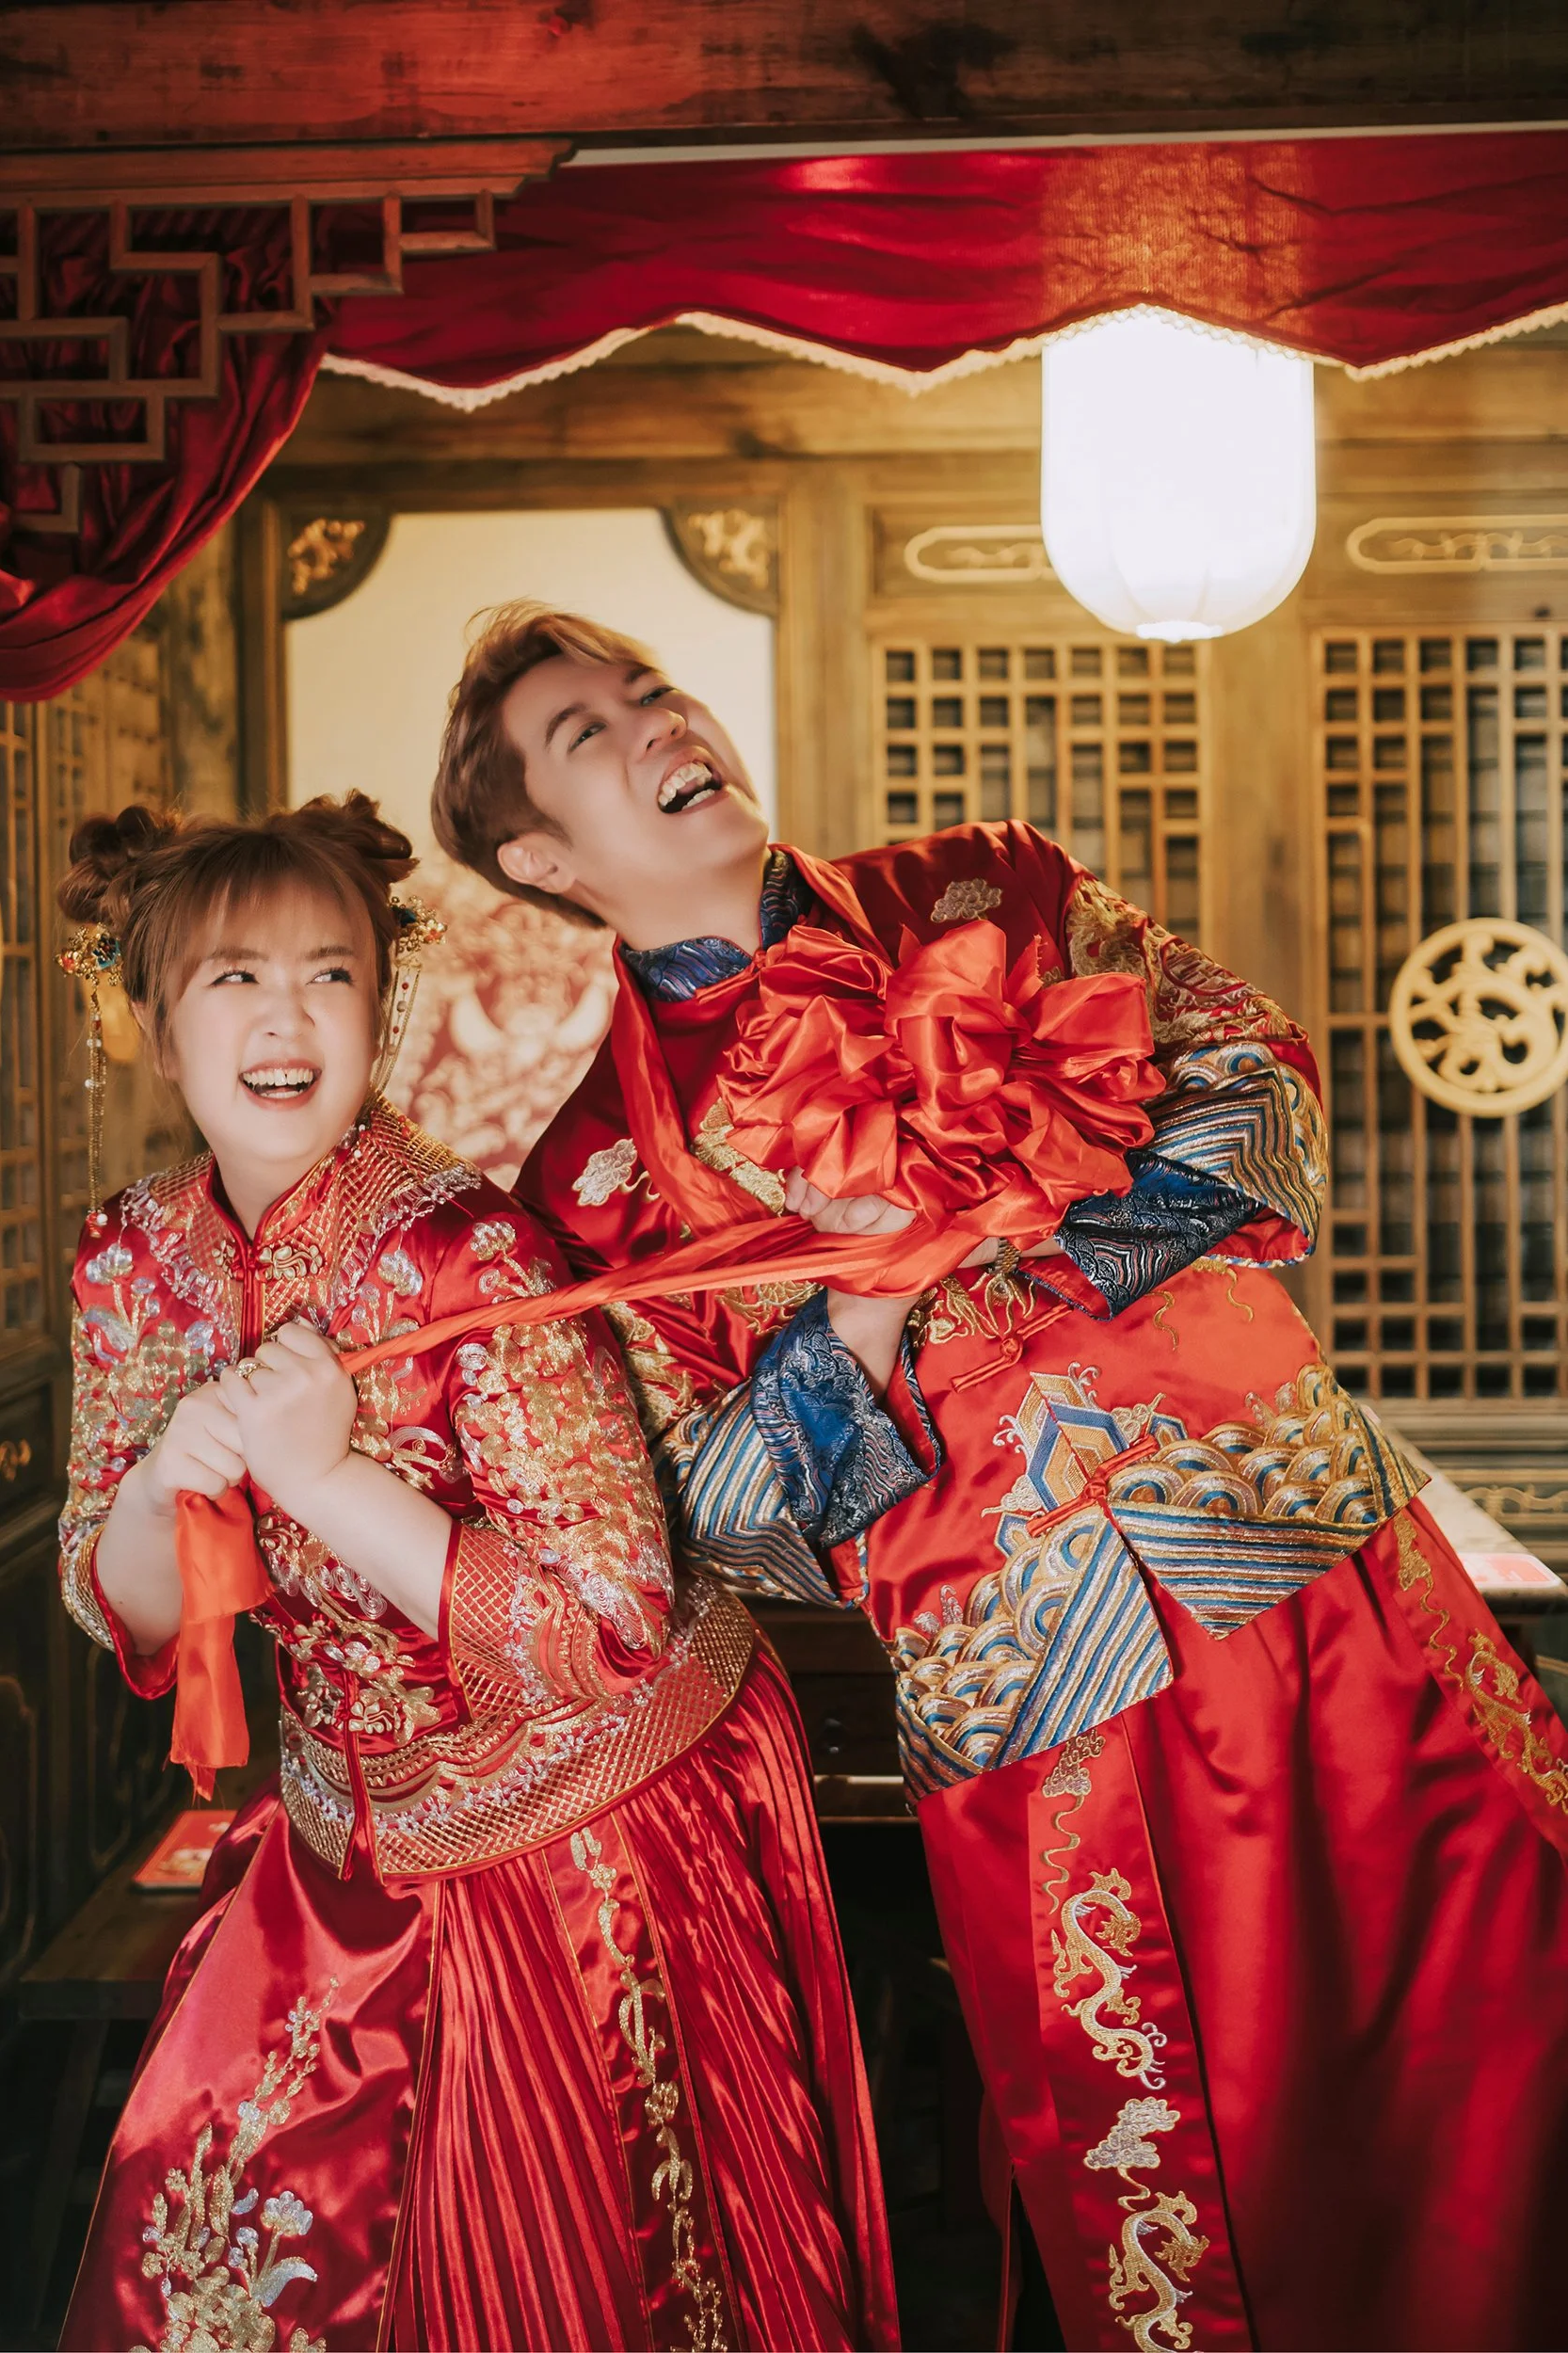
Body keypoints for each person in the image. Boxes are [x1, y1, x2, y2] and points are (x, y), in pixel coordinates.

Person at [434, 601, 1568, 2353]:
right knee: (1173, 2130)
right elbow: (719, 1521)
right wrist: (864, 1307)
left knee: (1496, 1999)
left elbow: (1256, 1077)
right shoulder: (593, 1180)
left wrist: (1019, 1225)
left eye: (651, 690)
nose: (657, 726)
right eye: (589, 734)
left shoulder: (987, 888)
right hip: (1030, 1677)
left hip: (1293, 1539)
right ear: (536, 852)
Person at [54, 793, 898, 2353]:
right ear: (153, 1025)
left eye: (330, 973)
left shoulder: (464, 1254)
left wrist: (321, 1478)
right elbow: (120, 1605)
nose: (287, 1015)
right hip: (343, 1823)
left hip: (592, 1807)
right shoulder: (130, 1257)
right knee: (209, 2200)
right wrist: (168, 1479)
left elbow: (612, 1627)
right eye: (233, 978)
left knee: (561, 2271)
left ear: (380, 1009)